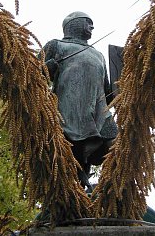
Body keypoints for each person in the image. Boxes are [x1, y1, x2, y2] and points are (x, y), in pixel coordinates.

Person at [42, 11, 117, 190]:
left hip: (99, 113)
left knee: (118, 146)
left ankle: (111, 190)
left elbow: (108, 90)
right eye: (88, 22)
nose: (92, 27)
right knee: (71, 155)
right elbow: (33, 77)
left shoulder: (98, 55)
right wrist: (46, 68)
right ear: (74, 24)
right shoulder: (57, 45)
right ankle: (78, 191)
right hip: (68, 111)